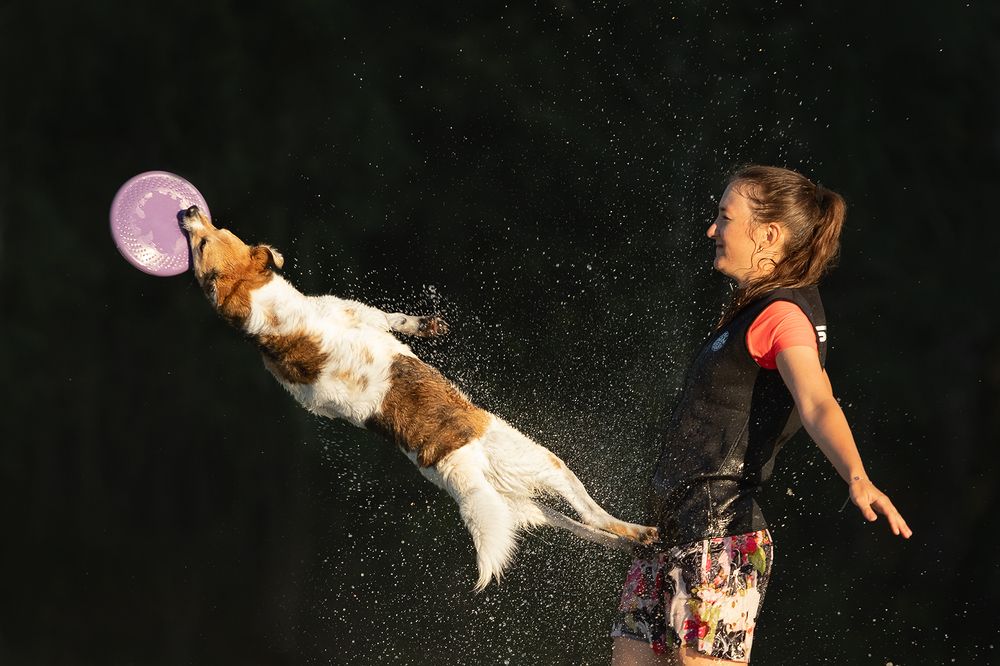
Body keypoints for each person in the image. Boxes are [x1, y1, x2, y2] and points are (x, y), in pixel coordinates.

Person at [609, 165, 912, 665]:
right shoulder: (751, 310)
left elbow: (817, 401)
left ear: (767, 235)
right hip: (666, 535)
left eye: (725, 218)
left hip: (720, 540)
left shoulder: (783, 316)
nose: (712, 230)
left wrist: (856, 475)